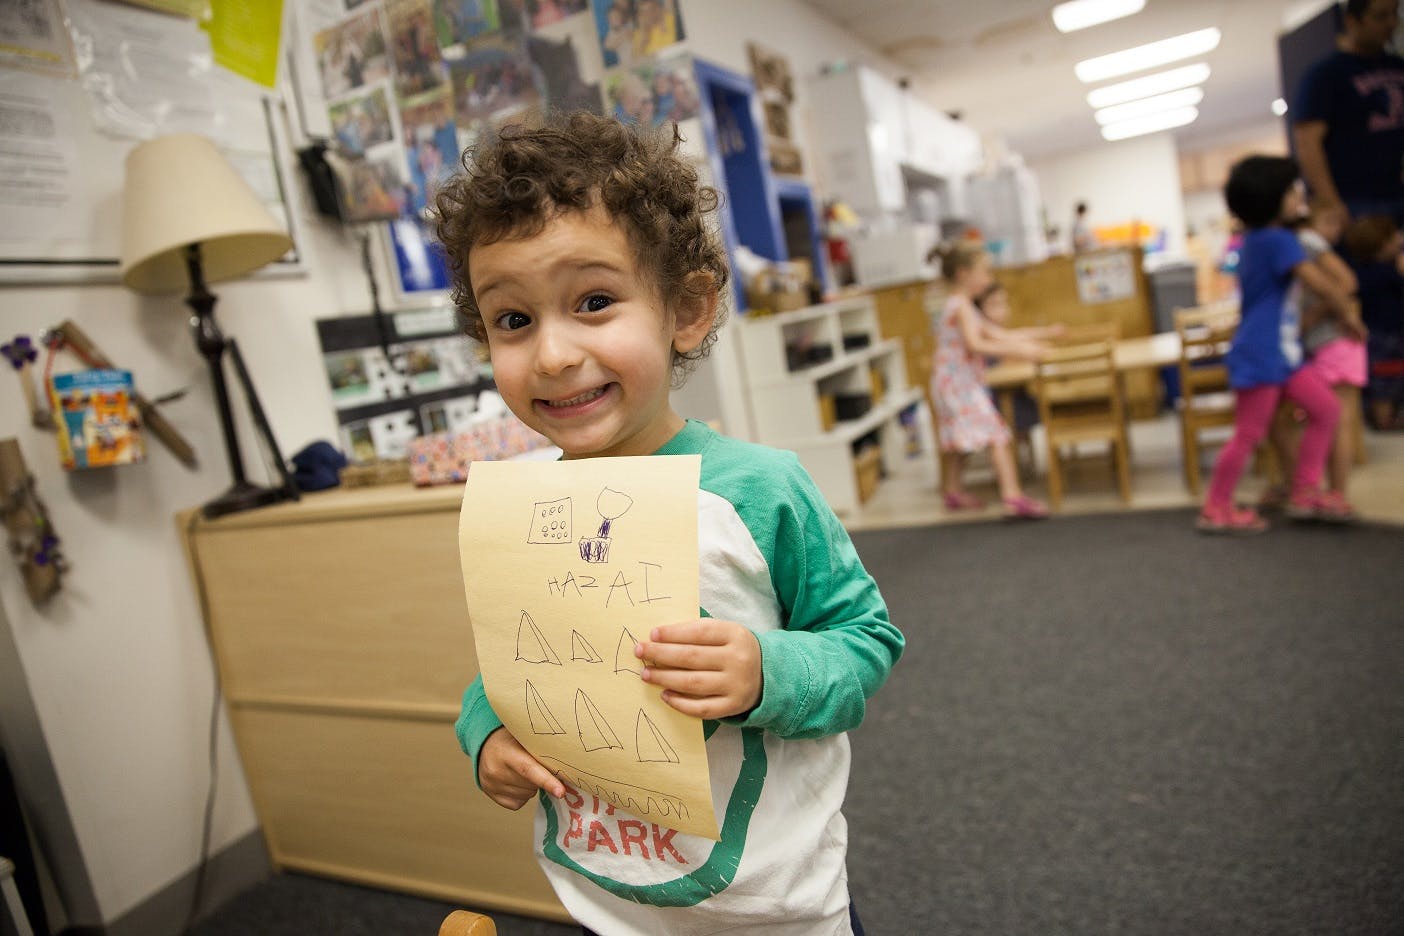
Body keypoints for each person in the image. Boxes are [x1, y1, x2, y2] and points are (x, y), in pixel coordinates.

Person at [433, 111, 905, 936]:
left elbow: (864, 639)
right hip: (611, 897)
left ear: (685, 310)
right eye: (513, 320)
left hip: (773, 905)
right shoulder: (521, 505)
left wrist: (767, 669)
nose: (550, 355)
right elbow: (514, 665)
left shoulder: (760, 490)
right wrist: (484, 732)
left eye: (594, 301)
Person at [1197, 156, 1353, 533]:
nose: (1299, 194)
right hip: (1263, 352)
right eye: (1292, 189)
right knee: (1249, 433)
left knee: (1326, 410)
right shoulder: (1277, 241)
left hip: (1281, 353)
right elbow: (1319, 283)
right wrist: (1348, 310)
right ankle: (1216, 507)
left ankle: (1305, 490)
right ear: (1274, 198)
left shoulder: (1255, 240)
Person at [929, 241, 1059, 518]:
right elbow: (976, 344)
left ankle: (953, 492)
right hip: (957, 385)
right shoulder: (959, 306)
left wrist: (1042, 334)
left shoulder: (964, 306)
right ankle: (1012, 496)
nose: (988, 279)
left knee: (960, 439)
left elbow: (998, 334)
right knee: (997, 434)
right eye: (984, 273)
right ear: (964, 274)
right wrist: (1020, 350)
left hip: (956, 383)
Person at [1260, 199, 1367, 519]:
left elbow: (1346, 282)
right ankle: (1305, 488)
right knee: (1294, 418)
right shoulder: (1280, 242)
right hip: (1312, 346)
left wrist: (1320, 313)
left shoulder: (1303, 241)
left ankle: (1334, 494)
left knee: (1337, 417)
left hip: (1333, 342)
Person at [1291, 0, 1404, 229]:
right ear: (1352, 21)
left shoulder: (1397, 67)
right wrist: (1333, 205)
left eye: (1395, 14)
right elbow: (1308, 145)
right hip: (1357, 203)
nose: (1391, 24)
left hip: (1397, 192)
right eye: (1381, 17)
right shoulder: (1325, 75)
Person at [1344, 214, 1404, 428]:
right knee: (1387, 377)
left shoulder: (1358, 272)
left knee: (1383, 379)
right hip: (1387, 334)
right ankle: (1384, 418)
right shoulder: (1387, 272)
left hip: (1375, 333)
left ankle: (1380, 415)